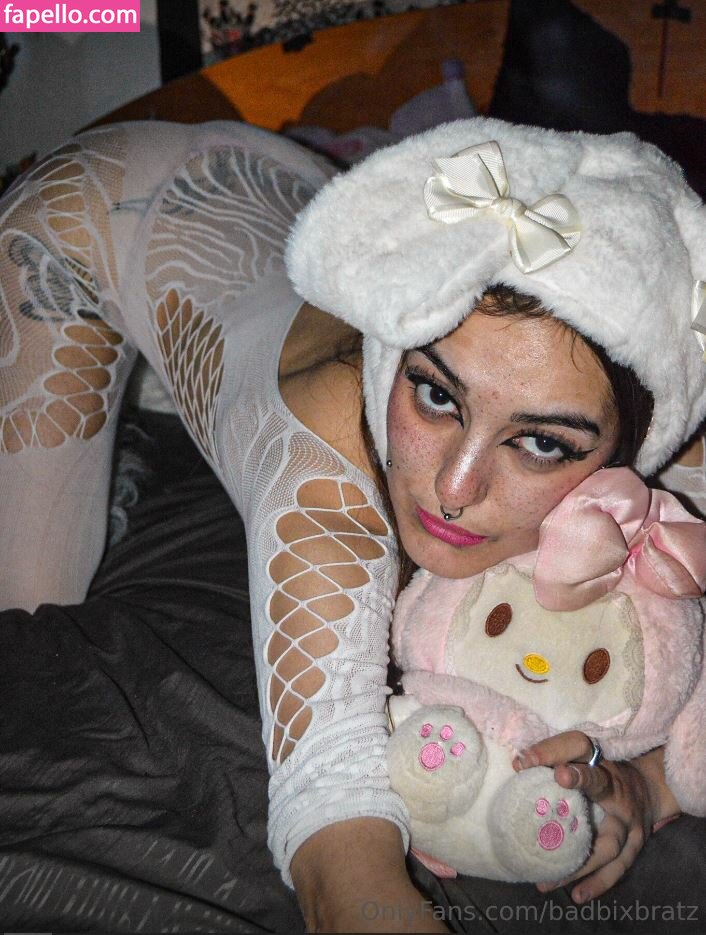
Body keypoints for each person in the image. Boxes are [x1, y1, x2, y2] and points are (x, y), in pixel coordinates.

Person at [0, 116, 704, 933]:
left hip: (289, 190)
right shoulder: (324, 475)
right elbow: (339, 864)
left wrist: (651, 781)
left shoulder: (674, 427)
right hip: (88, 219)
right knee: (27, 609)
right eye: (435, 394)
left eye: (541, 442)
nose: (454, 486)